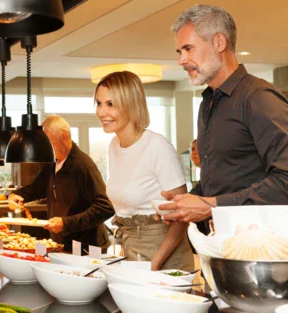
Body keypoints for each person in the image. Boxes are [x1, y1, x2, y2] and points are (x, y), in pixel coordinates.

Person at [160, 4, 288, 224]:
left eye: (188, 49)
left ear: (219, 42)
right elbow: (221, 183)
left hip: (261, 244)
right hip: (221, 242)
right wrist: (189, 200)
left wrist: (212, 206)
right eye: (179, 52)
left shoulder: (258, 98)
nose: (181, 60)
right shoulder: (208, 103)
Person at [94, 71, 194, 271]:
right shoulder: (114, 145)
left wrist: (155, 263)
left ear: (130, 104)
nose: (101, 112)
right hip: (132, 252)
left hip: (164, 256)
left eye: (110, 104)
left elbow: (182, 216)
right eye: (99, 103)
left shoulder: (157, 146)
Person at [8, 115, 115, 253]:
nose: (45, 148)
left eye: (49, 143)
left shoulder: (83, 166)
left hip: (88, 247)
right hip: (63, 244)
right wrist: (17, 195)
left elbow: (105, 208)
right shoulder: (52, 163)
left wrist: (65, 223)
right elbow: (37, 188)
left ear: (63, 137)